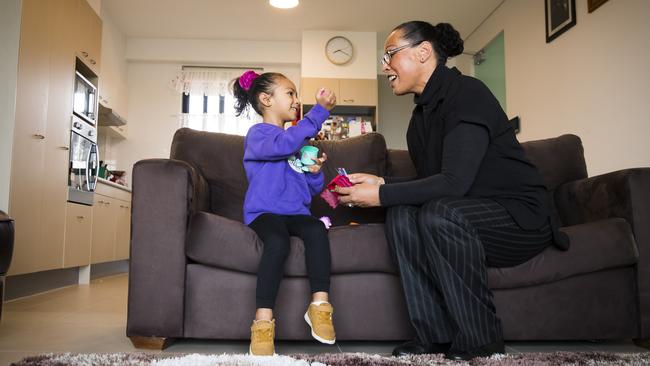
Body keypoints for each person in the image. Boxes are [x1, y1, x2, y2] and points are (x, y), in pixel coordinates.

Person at [334, 21, 569, 361]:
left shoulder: (467, 94)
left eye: (390, 55)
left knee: (438, 215)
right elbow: (435, 185)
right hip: (464, 217)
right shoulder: (420, 121)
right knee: (403, 214)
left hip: (519, 219)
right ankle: (432, 336)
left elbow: (454, 184)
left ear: (424, 51)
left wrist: (381, 193)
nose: (384, 66)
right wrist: (382, 185)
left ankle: (481, 340)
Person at [232, 70, 338, 356]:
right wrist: (318, 113)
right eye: (290, 93)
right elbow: (284, 145)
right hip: (264, 213)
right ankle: (263, 322)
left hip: (296, 212)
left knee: (316, 230)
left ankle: (319, 305)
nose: (296, 99)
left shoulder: (298, 142)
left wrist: (314, 170)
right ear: (266, 99)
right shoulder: (259, 136)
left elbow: (311, 186)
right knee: (277, 242)